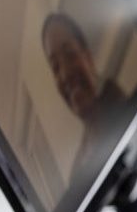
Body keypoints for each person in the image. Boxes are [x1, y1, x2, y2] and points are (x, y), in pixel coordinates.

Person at [41, 11, 127, 171]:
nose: (65, 74)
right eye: (55, 67)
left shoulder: (126, 114)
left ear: (88, 57)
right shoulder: (79, 165)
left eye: (70, 54)